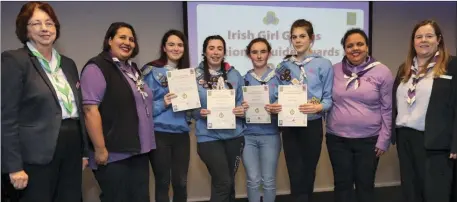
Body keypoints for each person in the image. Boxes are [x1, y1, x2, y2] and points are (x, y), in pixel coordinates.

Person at [1, 2, 89, 201]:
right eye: (36, 24)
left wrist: (84, 151)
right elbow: (6, 117)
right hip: (35, 154)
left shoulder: (68, 63)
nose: (44, 29)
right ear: (25, 30)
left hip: (71, 145)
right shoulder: (14, 60)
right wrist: (13, 166)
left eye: (49, 23)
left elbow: (79, 111)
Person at [80, 22, 155, 202]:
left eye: (131, 39)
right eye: (122, 37)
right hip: (113, 154)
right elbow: (90, 110)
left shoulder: (132, 69)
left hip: (138, 152)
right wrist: (100, 149)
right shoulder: (96, 68)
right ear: (109, 40)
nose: (127, 42)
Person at [326, 28, 394, 202]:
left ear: (367, 47)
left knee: (365, 186)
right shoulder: (333, 71)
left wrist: (384, 139)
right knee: (342, 186)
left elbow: (388, 108)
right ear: (344, 49)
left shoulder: (382, 72)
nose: (355, 48)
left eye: (359, 44)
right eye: (350, 45)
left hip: (369, 140)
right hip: (337, 140)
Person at [392, 19, 457, 202]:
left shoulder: (452, 66)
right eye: (419, 36)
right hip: (405, 137)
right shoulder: (404, 69)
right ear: (413, 42)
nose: (423, 40)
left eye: (429, 36)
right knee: (411, 190)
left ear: (439, 40)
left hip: (436, 141)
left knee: (435, 192)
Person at [275, 19, 334, 202]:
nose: (298, 40)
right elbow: (277, 93)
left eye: (302, 36)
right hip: (290, 125)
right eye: (294, 37)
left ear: (311, 38)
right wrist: (277, 104)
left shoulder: (323, 64)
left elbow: (328, 99)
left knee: (308, 169)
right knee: (294, 170)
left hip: (312, 124)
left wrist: (318, 106)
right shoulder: (284, 65)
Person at [192, 35, 245, 202]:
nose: (215, 52)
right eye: (211, 48)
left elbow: (242, 102)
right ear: (204, 51)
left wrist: (241, 110)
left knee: (228, 184)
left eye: (219, 48)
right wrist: (198, 112)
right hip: (208, 137)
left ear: (224, 52)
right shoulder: (194, 76)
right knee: (224, 183)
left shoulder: (234, 74)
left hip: (234, 136)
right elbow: (189, 108)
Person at [142, 29, 191, 202]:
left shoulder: (189, 74)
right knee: (162, 182)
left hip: (182, 135)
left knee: (181, 182)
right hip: (159, 134)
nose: (176, 48)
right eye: (171, 44)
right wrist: (163, 102)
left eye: (179, 45)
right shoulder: (151, 71)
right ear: (164, 47)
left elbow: (191, 111)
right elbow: (143, 107)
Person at [240, 38, 281, 202]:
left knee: (269, 180)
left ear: (269, 54)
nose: (259, 56)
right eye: (254, 52)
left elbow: (288, 104)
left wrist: (279, 106)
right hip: (247, 135)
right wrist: (240, 107)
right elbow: (235, 108)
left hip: (270, 135)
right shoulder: (242, 80)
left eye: (263, 51)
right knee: (253, 179)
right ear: (249, 55)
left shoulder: (278, 78)